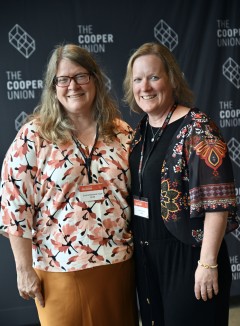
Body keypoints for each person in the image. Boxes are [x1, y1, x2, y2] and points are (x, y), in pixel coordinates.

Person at [0, 43, 139, 326]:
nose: (72, 86)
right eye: (62, 79)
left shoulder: (122, 132)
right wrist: (23, 270)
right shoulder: (34, 135)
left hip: (117, 267)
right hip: (59, 271)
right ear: (53, 87)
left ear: (95, 79)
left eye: (80, 76)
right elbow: (15, 205)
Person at [123, 41, 239, 326]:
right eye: (138, 79)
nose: (145, 87)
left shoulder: (198, 128)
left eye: (153, 77)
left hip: (190, 260)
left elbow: (217, 204)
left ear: (171, 79)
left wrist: (207, 263)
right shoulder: (140, 132)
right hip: (149, 260)